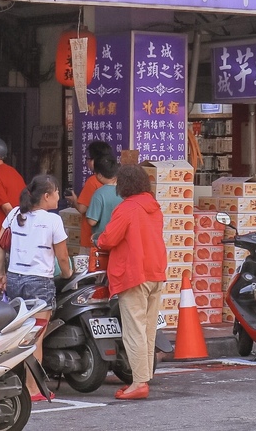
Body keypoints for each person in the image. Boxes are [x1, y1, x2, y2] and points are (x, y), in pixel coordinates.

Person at [0, 175, 72, 402]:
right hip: (39, 284)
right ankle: (33, 388)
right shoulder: (52, 221)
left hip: (16, 281)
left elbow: (0, 245)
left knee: (19, 334)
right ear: (46, 196)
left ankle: (17, 382)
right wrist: (68, 274)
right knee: (36, 337)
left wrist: (1, 274)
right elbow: (63, 257)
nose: (59, 196)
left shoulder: (15, 214)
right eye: (56, 192)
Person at [96, 164, 167, 401]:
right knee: (148, 329)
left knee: (134, 331)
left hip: (133, 274)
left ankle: (138, 382)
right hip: (155, 271)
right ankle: (144, 376)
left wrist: (99, 241)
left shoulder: (126, 208)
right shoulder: (153, 206)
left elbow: (108, 239)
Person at [65, 140, 113, 252]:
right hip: (111, 238)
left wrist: (74, 200)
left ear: (96, 160)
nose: (87, 162)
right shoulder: (117, 181)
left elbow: (82, 209)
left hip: (91, 239)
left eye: (89, 159)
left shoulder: (93, 181)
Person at [85, 156, 122, 240]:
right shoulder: (125, 191)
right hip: (120, 238)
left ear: (100, 175)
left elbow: (92, 221)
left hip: (103, 240)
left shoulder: (99, 194)